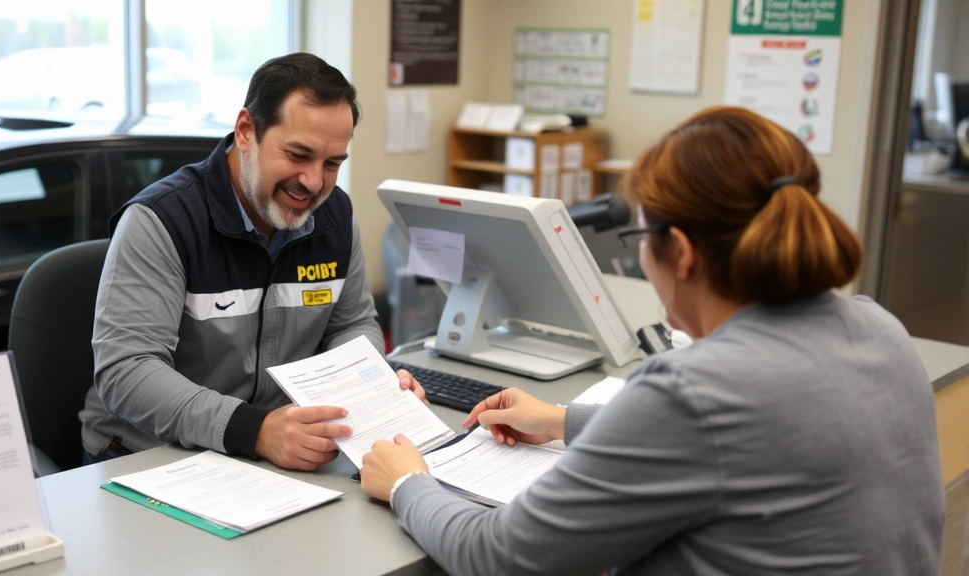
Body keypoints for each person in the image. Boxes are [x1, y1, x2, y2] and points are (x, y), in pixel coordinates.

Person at [359, 106, 945, 575]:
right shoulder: (878, 327)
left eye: (641, 234)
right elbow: (750, 440)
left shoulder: (691, 392)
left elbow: (501, 556)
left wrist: (409, 482)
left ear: (682, 253)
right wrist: (565, 419)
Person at [80, 52, 425, 470]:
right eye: (298, 155)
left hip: (267, 460)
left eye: (332, 163)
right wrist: (255, 431)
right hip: (148, 456)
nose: (314, 182)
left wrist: (369, 383)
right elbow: (128, 372)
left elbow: (353, 324)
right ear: (246, 131)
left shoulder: (334, 217)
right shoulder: (161, 220)